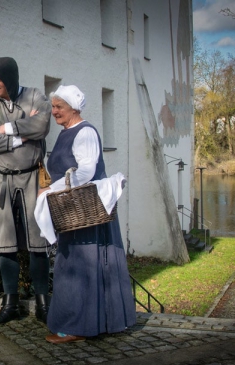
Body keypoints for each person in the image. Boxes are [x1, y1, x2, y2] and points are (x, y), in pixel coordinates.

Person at [40, 84, 136, 343]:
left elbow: (85, 172)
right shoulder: (66, 133)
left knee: (80, 266)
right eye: (53, 106)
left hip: (85, 208)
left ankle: (77, 327)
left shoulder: (85, 132)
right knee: (78, 263)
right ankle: (97, 323)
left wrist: (52, 188)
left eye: (59, 107)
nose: (54, 111)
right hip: (73, 206)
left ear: (74, 107)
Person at [0, 57, 52, 324]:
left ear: (12, 78)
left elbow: (42, 125)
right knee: (3, 243)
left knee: (37, 242)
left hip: (32, 178)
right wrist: (23, 135)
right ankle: (10, 304)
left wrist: (7, 128)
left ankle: (43, 303)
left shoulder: (34, 97)